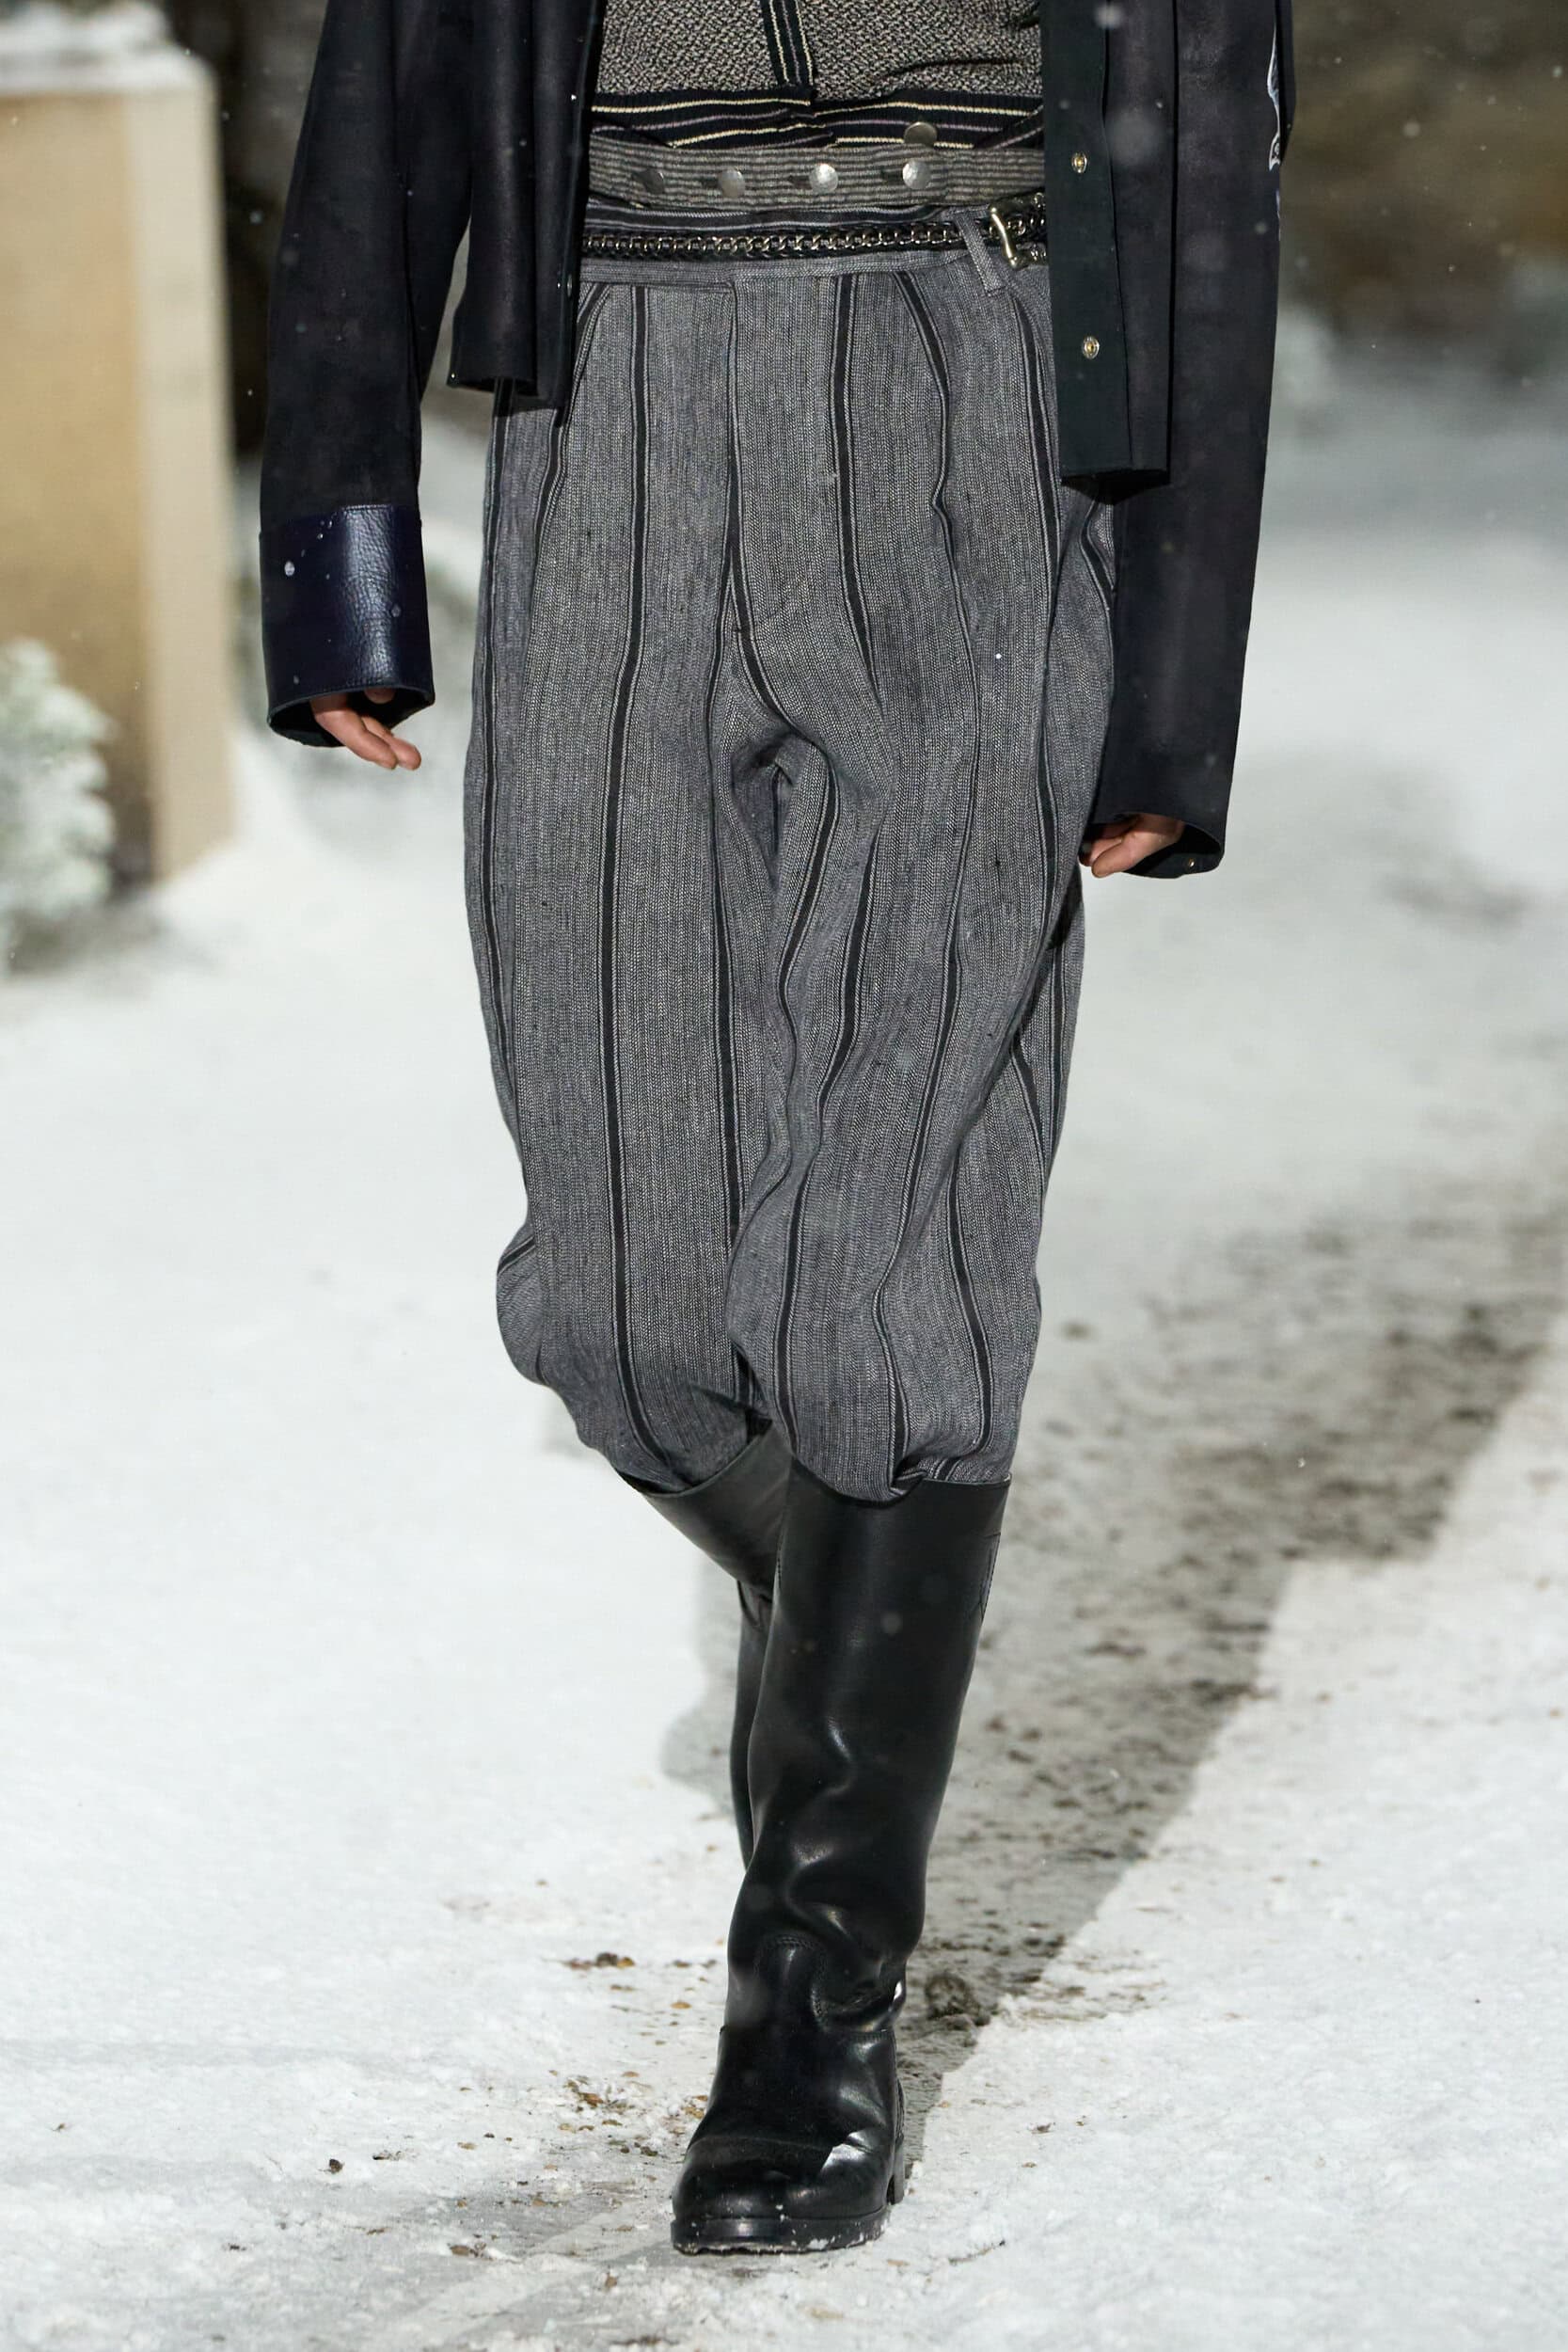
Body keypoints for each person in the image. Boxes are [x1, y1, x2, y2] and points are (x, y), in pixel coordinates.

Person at [258, 0, 1293, 2257]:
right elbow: (387, 98)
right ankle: (874, 1586)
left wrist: (1171, 686)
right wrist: (337, 539)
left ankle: (807, 2015)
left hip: (978, 392)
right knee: (620, 1309)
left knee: (884, 1276)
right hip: (610, 387)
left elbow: (1207, 172)